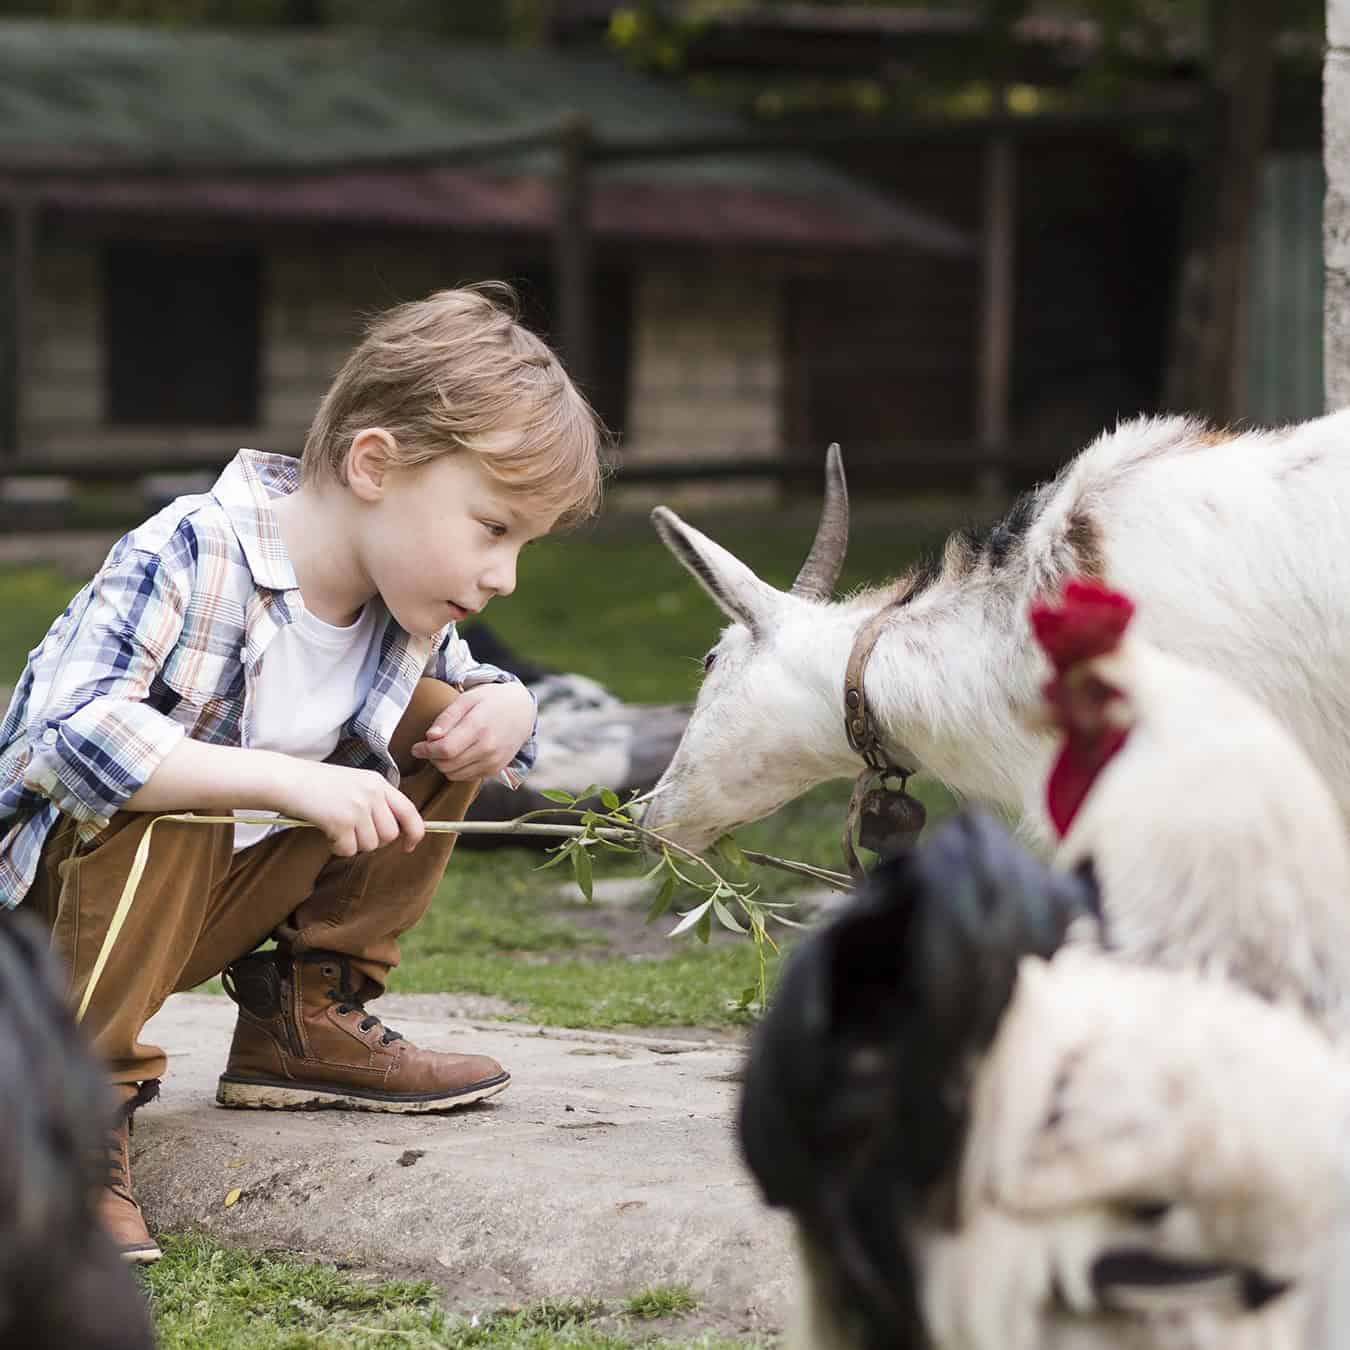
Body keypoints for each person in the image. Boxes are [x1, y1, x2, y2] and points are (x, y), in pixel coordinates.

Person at [0, 284, 603, 1264]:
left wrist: (511, 707)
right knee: (159, 789)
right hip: (42, 929)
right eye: (494, 529)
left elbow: (475, 692)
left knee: (453, 722)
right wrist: (282, 779)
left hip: (185, 919)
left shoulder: (401, 609)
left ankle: (303, 1018)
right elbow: (64, 739)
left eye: (523, 546)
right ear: (375, 464)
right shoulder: (192, 551)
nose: (505, 577)